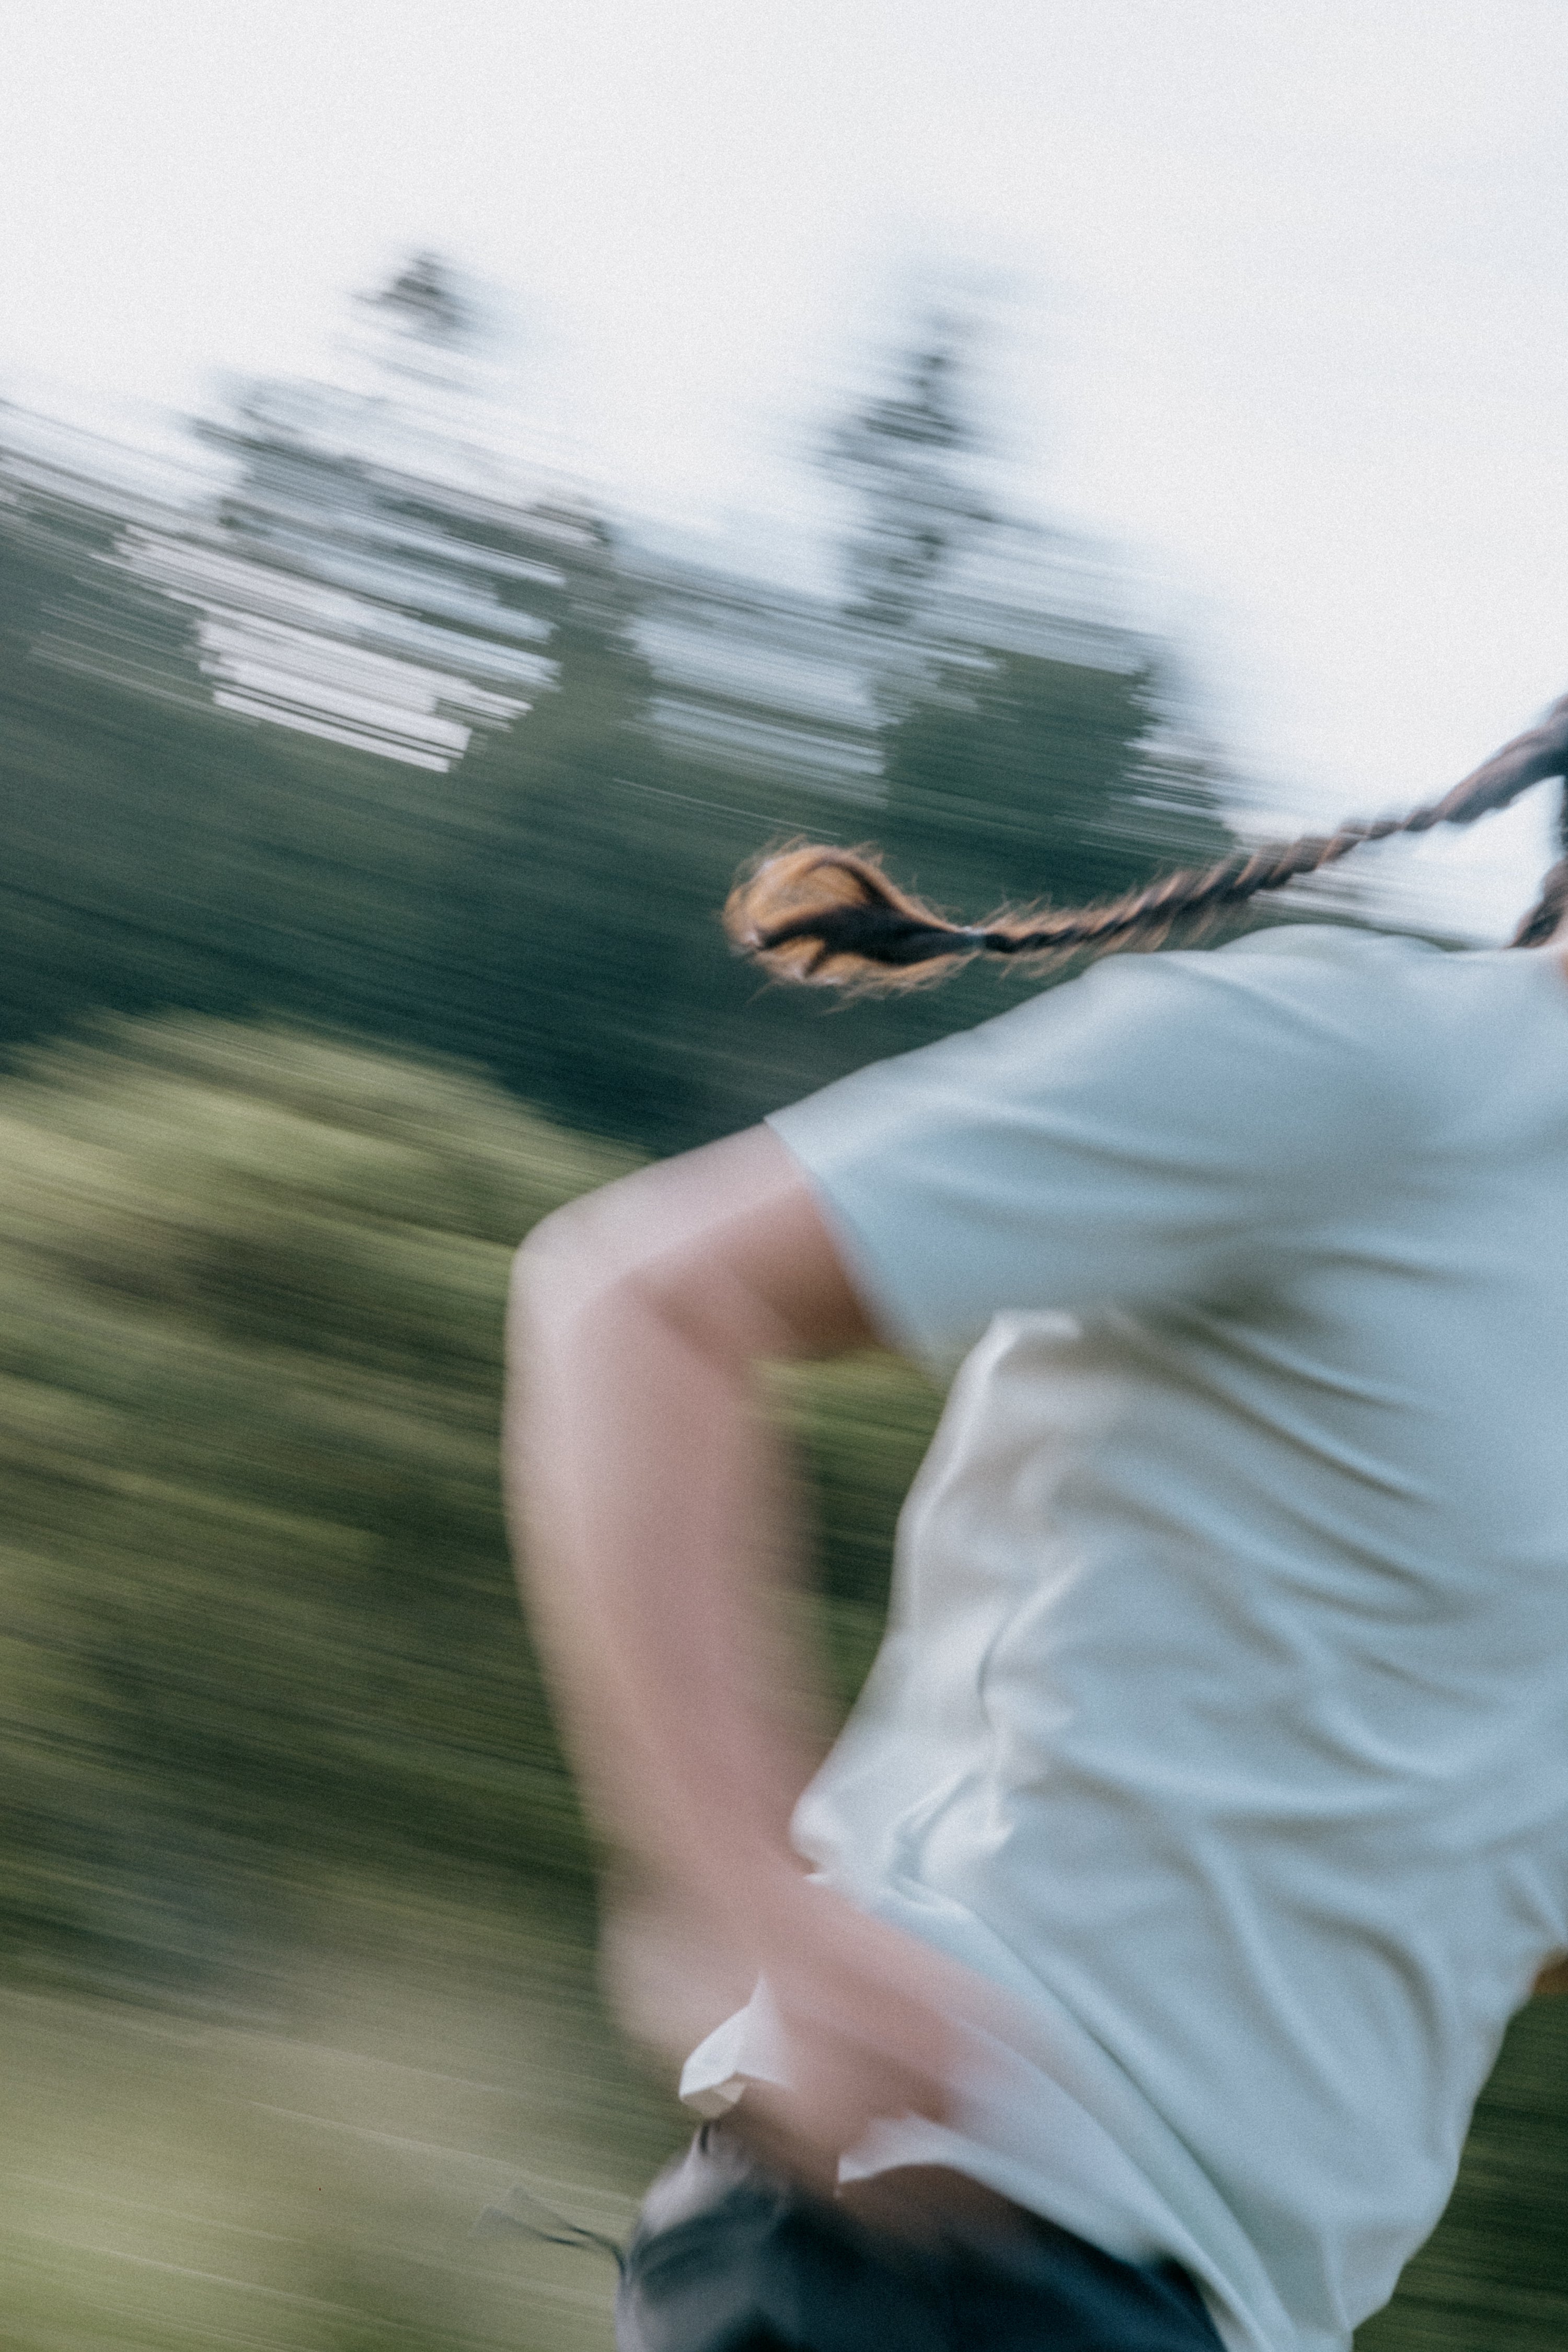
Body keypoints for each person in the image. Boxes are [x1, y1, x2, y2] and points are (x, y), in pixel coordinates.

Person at [504, 698, 1568, 2352]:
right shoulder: (1376, 1069)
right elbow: (637, 1296)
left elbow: (1468, 1867)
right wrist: (733, 1890)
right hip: (947, 2230)